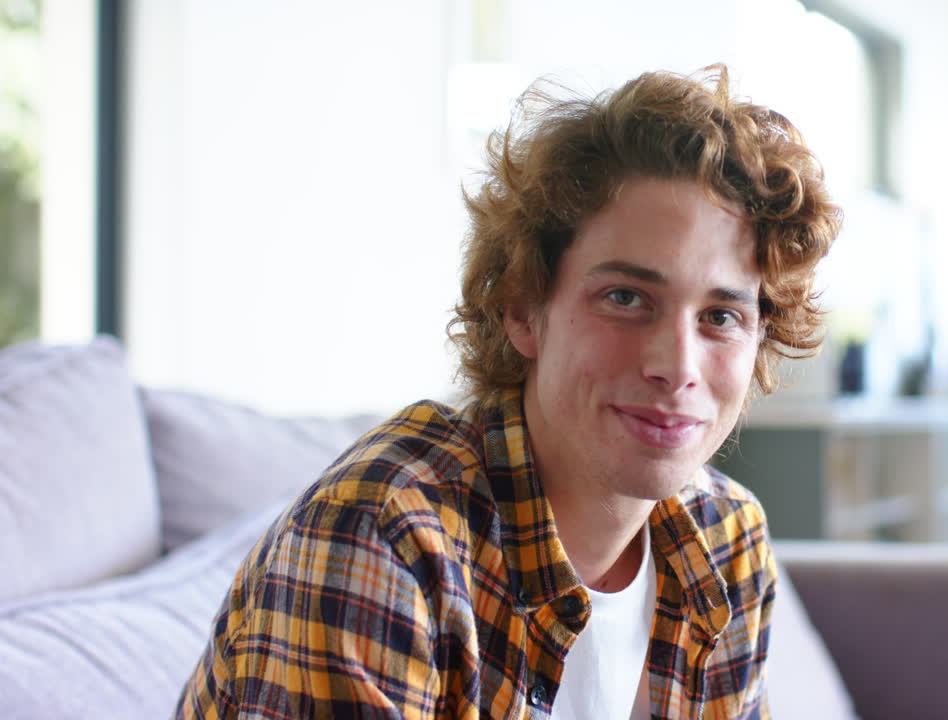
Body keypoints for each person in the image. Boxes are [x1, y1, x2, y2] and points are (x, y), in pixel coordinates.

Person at [174, 64, 840, 720]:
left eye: (721, 317)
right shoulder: (387, 537)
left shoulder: (725, 538)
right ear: (522, 308)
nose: (677, 365)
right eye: (627, 298)